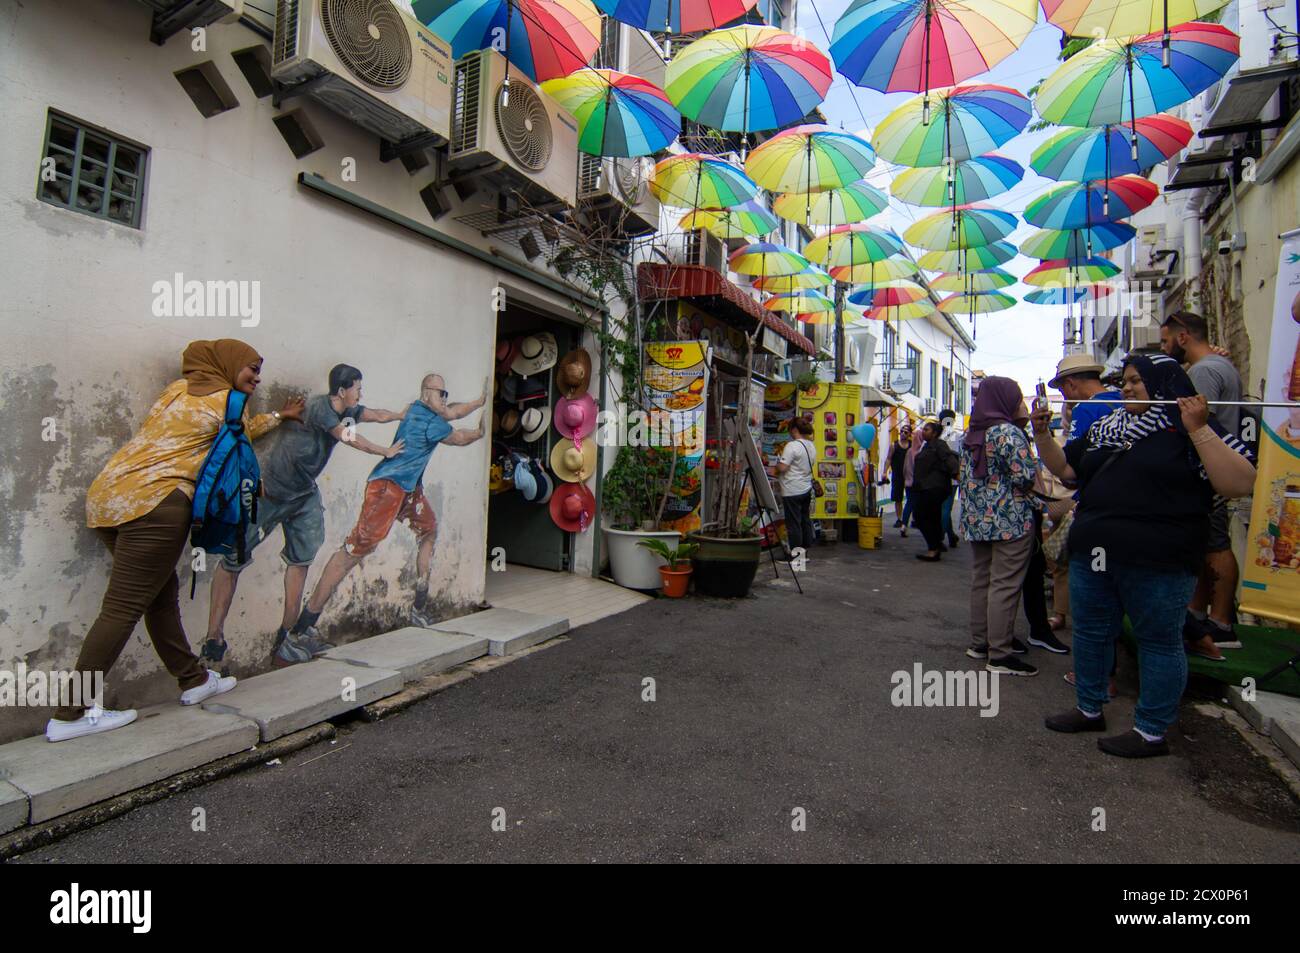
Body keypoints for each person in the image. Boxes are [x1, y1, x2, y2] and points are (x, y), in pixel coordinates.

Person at [47, 340, 305, 742]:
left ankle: (194, 679)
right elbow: (238, 445)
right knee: (122, 608)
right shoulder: (230, 401)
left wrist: (275, 413)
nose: (256, 376)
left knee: (159, 593)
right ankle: (70, 714)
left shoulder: (175, 391)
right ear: (229, 366)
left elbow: (219, 431)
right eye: (251, 368)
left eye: (259, 370)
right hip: (156, 505)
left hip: (107, 499)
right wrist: (274, 432)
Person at [1034, 353, 1255, 758]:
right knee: (1092, 632)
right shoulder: (1107, 425)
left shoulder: (1192, 428)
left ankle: (1151, 730)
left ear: (1167, 384)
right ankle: (1088, 707)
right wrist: (1043, 435)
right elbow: (1067, 471)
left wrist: (1198, 429)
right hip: (1095, 553)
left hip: (1161, 559)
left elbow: (1238, 483)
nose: (1129, 387)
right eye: (1127, 380)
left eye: (1138, 380)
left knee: (1158, 640)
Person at [204, 364, 408, 667]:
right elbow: (347, 437)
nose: (360, 393)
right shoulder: (319, 407)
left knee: (302, 559)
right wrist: (384, 451)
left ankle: (287, 636)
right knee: (234, 558)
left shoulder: (347, 408)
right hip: (271, 491)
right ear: (342, 390)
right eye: (357, 388)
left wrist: (400, 415)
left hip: (303, 495)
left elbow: (374, 414)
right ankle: (213, 638)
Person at [289, 373, 486, 637]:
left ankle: (419, 604)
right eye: (441, 393)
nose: (445, 399)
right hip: (387, 489)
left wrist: (480, 401)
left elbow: (451, 413)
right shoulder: (427, 420)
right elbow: (458, 436)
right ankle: (303, 627)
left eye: (445, 394)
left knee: (428, 530)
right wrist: (480, 432)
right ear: (427, 393)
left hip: (408, 491)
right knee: (352, 553)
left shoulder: (420, 408)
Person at [1160, 312, 1245, 659]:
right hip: (1211, 470)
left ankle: (1221, 623)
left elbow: (1196, 421)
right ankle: (1201, 614)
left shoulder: (1205, 371)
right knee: (1207, 543)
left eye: (1166, 340)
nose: (1165, 347)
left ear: (1182, 338)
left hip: (1209, 472)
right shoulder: (1216, 365)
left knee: (1215, 544)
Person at [960, 377, 1039, 677]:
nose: (1022, 404)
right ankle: (1000, 653)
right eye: (1019, 398)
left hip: (978, 520)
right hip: (1010, 520)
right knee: (1004, 584)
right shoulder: (1008, 433)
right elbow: (1026, 477)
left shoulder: (972, 434)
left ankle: (981, 642)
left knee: (982, 580)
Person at [910, 417, 960, 561]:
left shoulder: (939, 444)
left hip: (934, 487)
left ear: (934, 433)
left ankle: (933, 547)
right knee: (932, 517)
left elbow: (949, 460)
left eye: (927, 429)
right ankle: (936, 545)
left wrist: (957, 475)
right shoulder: (927, 446)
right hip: (926, 487)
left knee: (921, 516)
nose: (923, 431)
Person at [776, 416, 817, 556]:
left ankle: (796, 555)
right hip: (806, 488)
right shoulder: (811, 445)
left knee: (793, 523)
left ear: (794, 430)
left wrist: (776, 465)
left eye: (790, 430)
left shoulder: (792, 446)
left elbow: (782, 468)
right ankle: (805, 551)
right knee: (804, 519)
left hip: (791, 489)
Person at [938, 409, 964, 548]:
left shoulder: (937, 436)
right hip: (953, 477)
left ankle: (942, 536)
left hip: (938, 477)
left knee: (942, 508)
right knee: (946, 508)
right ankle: (950, 535)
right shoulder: (958, 436)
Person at [882, 423, 913, 533]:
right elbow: (888, 459)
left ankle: (911, 519)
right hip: (897, 475)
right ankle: (899, 519)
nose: (903, 434)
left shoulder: (912, 445)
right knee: (897, 498)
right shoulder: (894, 445)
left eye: (905, 432)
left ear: (909, 434)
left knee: (911, 498)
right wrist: (884, 472)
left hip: (909, 475)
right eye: (901, 431)